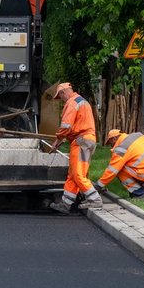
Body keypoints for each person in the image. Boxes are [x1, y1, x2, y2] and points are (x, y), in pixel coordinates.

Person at [48, 82, 101, 213]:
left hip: (82, 141)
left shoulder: (71, 103)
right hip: (84, 140)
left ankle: (95, 199)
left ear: (63, 92)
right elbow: (74, 127)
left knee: (78, 174)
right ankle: (66, 204)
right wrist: (62, 139)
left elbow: (66, 126)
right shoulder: (81, 101)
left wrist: (58, 139)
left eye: (60, 97)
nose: (61, 100)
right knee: (73, 174)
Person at [94, 129, 144, 200]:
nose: (111, 146)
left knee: (120, 170)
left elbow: (112, 170)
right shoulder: (138, 135)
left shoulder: (121, 149)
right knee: (137, 167)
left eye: (110, 143)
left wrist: (99, 185)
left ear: (113, 139)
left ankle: (139, 194)